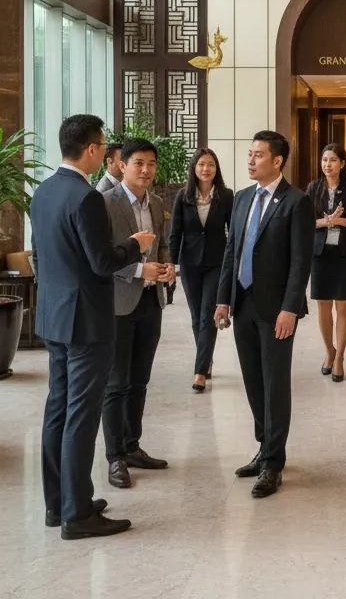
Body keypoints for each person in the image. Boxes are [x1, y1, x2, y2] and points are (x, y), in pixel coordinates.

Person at [31, 114, 154, 540]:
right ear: (90, 150)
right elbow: (101, 261)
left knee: (58, 410)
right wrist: (134, 247)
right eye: (103, 146)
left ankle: (58, 503)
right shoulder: (85, 198)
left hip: (54, 315)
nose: (106, 152)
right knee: (81, 416)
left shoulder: (43, 192)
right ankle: (78, 514)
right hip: (86, 320)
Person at [215, 131, 314, 499]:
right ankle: (263, 447)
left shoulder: (296, 202)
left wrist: (290, 307)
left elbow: (300, 263)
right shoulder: (241, 199)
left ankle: (274, 462)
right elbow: (231, 252)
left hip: (276, 310)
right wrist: (222, 300)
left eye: (258, 155)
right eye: (250, 153)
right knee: (253, 382)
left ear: (277, 161)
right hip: (242, 304)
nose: (251, 160)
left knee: (275, 385)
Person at [102, 138, 174, 489]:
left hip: (150, 301)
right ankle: (115, 457)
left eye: (151, 164)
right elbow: (100, 259)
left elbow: (159, 244)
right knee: (116, 384)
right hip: (117, 303)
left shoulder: (157, 202)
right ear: (122, 165)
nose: (146, 171)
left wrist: (167, 264)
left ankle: (132, 446)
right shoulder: (105, 203)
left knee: (139, 381)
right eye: (138, 164)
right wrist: (136, 271)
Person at [169, 148, 233, 393]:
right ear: (194, 169)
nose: (206, 169)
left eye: (211, 165)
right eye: (201, 164)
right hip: (190, 264)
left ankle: (199, 372)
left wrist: (233, 263)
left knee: (208, 314)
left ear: (216, 169)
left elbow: (233, 233)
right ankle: (205, 360)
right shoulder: (182, 197)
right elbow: (175, 233)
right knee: (197, 316)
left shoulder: (226, 196)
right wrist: (172, 266)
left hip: (217, 263)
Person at [307, 143, 346, 382]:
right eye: (324, 160)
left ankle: (340, 357)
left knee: (342, 307)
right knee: (323, 306)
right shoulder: (313, 188)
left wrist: (341, 222)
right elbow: (304, 221)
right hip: (319, 255)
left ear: (342, 163)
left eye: (332, 160)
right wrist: (324, 222)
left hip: (344, 255)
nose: (327, 165)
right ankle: (329, 350)